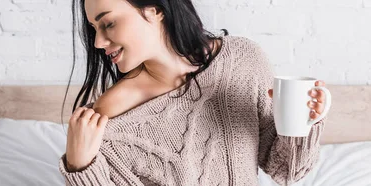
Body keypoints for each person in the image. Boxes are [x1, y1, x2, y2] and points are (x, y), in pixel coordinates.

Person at [59, 0, 330, 185]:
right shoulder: (111, 115)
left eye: (108, 23)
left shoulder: (242, 61)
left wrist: (304, 123)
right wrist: (80, 167)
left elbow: (286, 171)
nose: (98, 42)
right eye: (94, 29)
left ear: (154, 10)